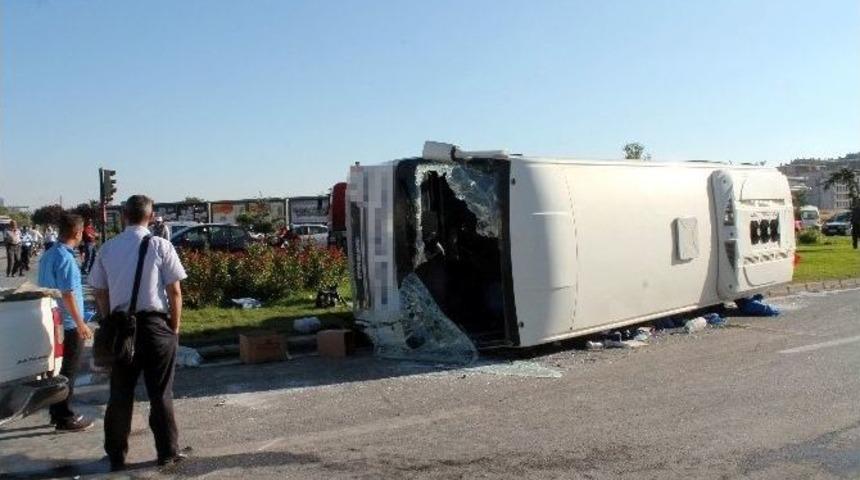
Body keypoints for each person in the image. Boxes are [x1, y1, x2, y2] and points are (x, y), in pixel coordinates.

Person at [89, 195, 188, 471]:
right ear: (151, 216)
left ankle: (116, 454)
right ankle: (167, 451)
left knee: (120, 393)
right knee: (160, 393)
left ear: (124, 216)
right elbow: (174, 291)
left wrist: (110, 320)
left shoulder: (107, 248)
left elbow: (99, 291)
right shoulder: (160, 245)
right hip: (155, 326)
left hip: (121, 328)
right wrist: (174, 327)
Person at [37, 214, 95, 432]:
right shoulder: (66, 258)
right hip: (68, 322)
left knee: (59, 370)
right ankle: (64, 416)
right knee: (69, 370)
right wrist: (81, 324)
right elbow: (68, 293)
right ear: (77, 233)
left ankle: (56, 411)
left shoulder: (49, 254)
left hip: (53, 318)